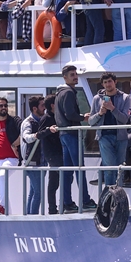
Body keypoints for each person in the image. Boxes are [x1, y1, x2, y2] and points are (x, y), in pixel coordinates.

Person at [55, 64, 94, 212]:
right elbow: (70, 114)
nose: (75, 77)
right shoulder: (68, 93)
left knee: (68, 170)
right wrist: (83, 117)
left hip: (63, 134)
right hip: (71, 134)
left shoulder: (60, 92)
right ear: (65, 77)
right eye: (72, 75)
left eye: (75, 74)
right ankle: (85, 200)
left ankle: (67, 202)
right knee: (79, 168)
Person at [88, 73, 131, 188]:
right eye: (105, 82)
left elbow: (124, 119)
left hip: (121, 137)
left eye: (110, 81)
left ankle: (118, 196)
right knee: (109, 167)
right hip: (104, 136)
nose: (108, 84)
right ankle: (109, 197)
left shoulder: (125, 98)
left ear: (115, 82)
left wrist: (112, 108)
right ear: (102, 84)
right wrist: (100, 113)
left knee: (120, 168)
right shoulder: (97, 99)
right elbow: (91, 121)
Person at [20, 95, 49, 215]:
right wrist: (37, 135)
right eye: (42, 105)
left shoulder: (42, 120)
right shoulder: (28, 123)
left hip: (41, 161)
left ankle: (28, 216)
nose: (45, 108)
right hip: (32, 162)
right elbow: (26, 137)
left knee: (33, 192)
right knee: (38, 192)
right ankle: (33, 217)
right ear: (34, 108)